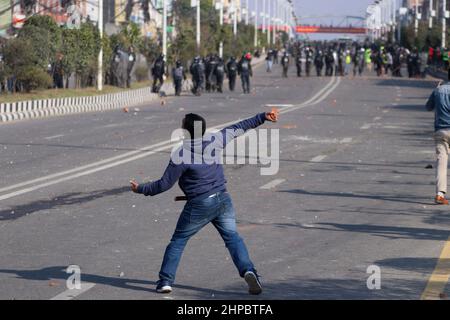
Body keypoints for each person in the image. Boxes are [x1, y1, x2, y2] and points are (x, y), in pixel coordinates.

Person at [130, 109, 280, 294]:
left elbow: (163, 185)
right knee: (233, 238)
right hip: (223, 199)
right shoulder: (215, 140)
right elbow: (239, 127)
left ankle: (165, 282)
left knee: (178, 241)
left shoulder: (181, 153)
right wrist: (262, 116)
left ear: (186, 129)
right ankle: (248, 270)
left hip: (199, 205)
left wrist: (141, 189)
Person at [426, 78, 450, 205]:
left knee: (442, 161)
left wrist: (436, 90)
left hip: (441, 130)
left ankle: (440, 194)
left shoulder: (439, 90)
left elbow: (428, 107)